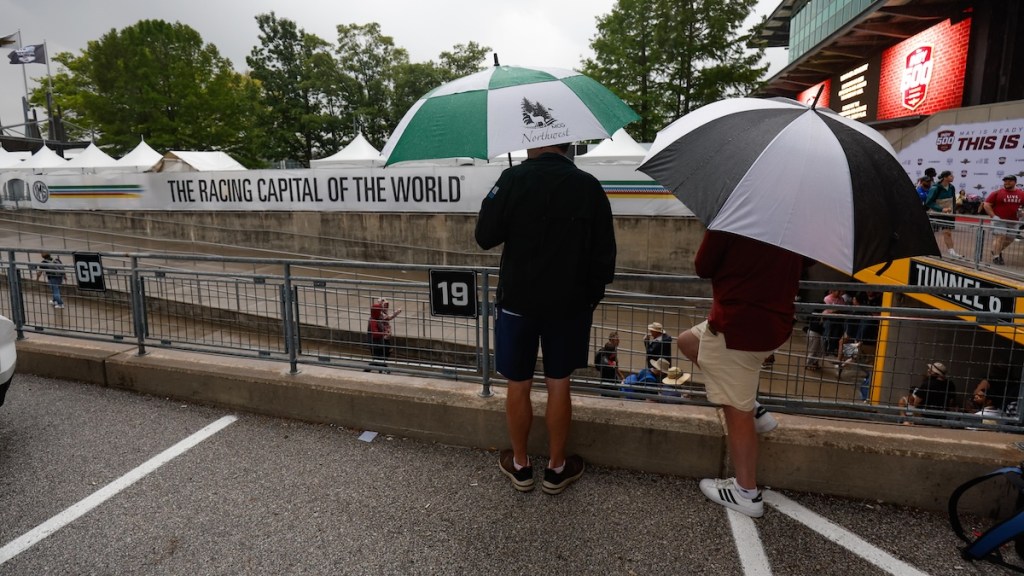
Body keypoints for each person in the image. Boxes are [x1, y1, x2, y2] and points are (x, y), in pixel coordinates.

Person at [475, 141, 616, 495]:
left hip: (517, 303)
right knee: (559, 382)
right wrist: (587, 300)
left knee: (518, 383)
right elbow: (604, 256)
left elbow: (484, 236)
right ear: (568, 144)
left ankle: (521, 466)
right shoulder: (588, 185)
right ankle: (556, 468)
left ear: (530, 143)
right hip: (569, 306)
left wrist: (503, 192)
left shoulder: (511, 179)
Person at [676, 230, 806, 518]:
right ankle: (754, 410)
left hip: (737, 327)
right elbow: (804, 263)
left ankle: (746, 492)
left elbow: (703, 266)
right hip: (773, 324)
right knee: (688, 341)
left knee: (736, 411)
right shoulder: (791, 224)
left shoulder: (733, 220)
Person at [981, 175, 1024, 265]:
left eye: (1009, 181)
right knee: (1000, 237)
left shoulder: (1021, 194)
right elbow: (986, 204)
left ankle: (996, 250)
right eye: (1005, 181)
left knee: (1010, 239)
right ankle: (996, 257)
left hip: (1014, 221)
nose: (1006, 183)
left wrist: (1022, 213)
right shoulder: (997, 193)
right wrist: (994, 216)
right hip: (999, 220)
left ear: (1015, 182)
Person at [925, 170, 959, 258]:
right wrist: (941, 209)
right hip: (935, 214)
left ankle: (952, 253)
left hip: (948, 215)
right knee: (931, 233)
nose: (953, 177)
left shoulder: (952, 187)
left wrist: (953, 212)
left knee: (947, 233)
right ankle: (926, 250)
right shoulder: (935, 188)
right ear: (945, 177)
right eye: (951, 176)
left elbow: (953, 200)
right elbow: (929, 202)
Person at [365, 297, 401, 373]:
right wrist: (384, 333)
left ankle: (380, 369)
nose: (386, 308)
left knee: (380, 356)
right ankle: (383, 368)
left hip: (380, 340)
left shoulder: (379, 316)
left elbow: (387, 318)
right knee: (380, 356)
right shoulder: (375, 319)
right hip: (376, 342)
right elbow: (375, 333)